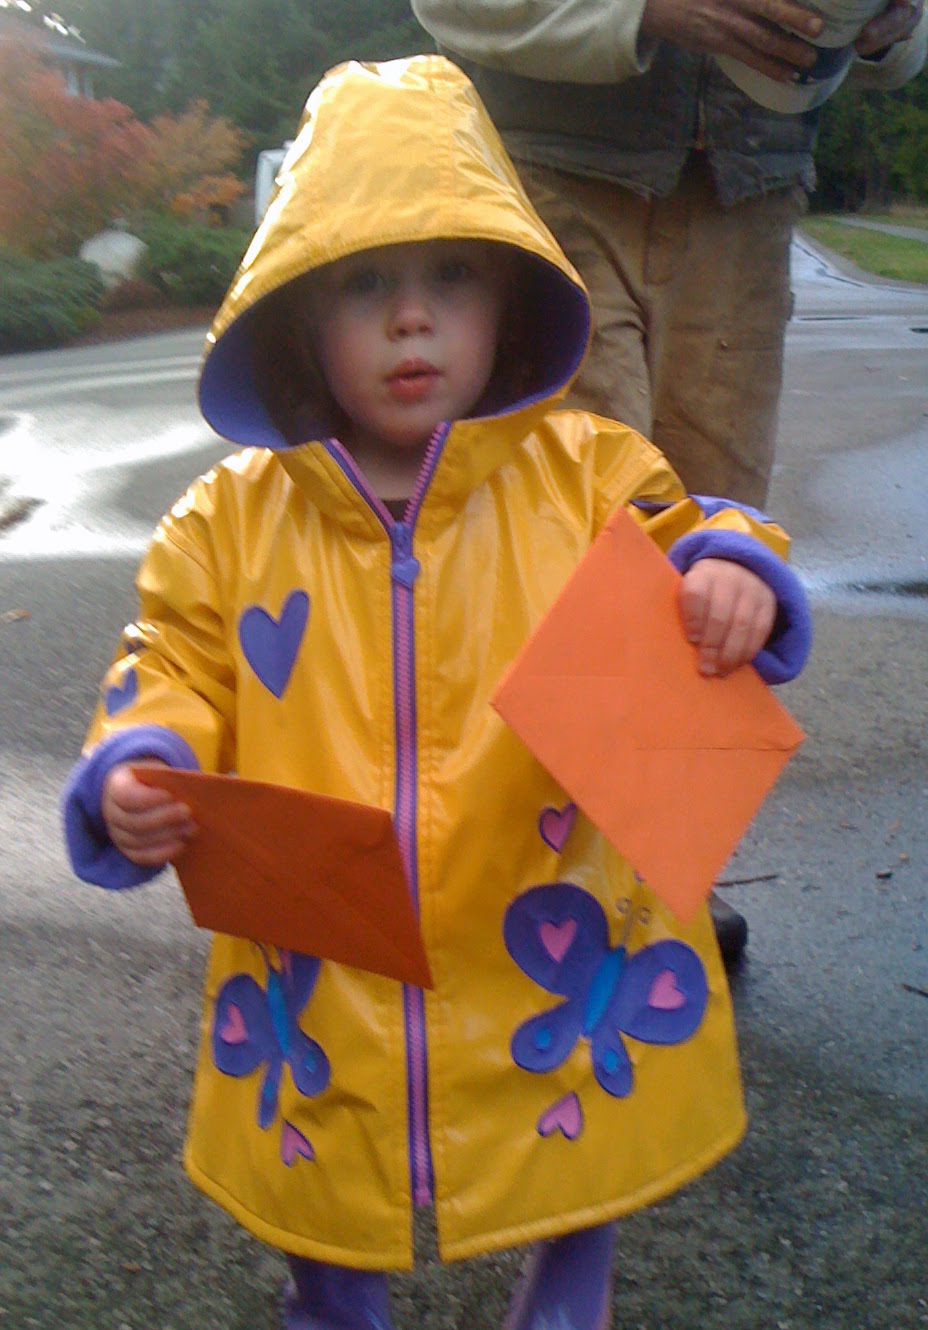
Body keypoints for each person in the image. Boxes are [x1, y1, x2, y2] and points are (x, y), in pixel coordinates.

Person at [62, 56, 812, 1330]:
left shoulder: (586, 471)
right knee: (321, 1116)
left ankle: (569, 1279)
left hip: (544, 884)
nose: (412, 320)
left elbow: (689, 528)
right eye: (365, 284)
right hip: (324, 919)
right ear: (299, 310)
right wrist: (140, 757)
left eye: (451, 275)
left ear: (509, 295)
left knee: (577, 1092)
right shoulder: (228, 520)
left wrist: (729, 570)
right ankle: (329, 1294)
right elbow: (172, 656)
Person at [410, 0, 927, 963]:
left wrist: (891, 29)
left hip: (749, 192)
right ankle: (524, 872)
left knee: (712, 544)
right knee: (566, 532)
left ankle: (657, 877)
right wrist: (644, 10)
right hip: (553, 174)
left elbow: (902, 42)